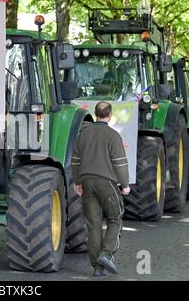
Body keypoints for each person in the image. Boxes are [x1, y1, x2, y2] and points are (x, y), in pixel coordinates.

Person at [71, 101, 130, 277]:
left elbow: (75, 161)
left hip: (87, 183)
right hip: (107, 183)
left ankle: (98, 268)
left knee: (93, 225)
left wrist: (77, 182)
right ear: (109, 115)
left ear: (96, 114)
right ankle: (106, 254)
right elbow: (120, 164)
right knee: (115, 218)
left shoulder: (83, 134)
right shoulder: (113, 136)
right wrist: (125, 185)